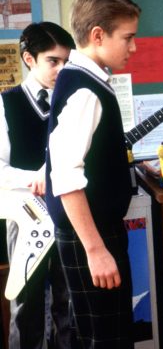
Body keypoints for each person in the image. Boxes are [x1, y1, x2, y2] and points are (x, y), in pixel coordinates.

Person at [45, 0, 141, 349]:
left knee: (106, 334)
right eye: (128, 38)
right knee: (105, 340)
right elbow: (66, 177)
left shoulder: (84, 79)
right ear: (98, 35)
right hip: (91, 235)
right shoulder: (86, 91)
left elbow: (57, 153)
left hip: (93, 232)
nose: (134, 47)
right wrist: (96, 250)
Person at [0, 22, 75, 348]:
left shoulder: (73, 103)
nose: (61, 69)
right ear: (29, 59)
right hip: (26, 217)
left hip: (69, 213)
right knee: (27, 306)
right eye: (53, 61)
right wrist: (34, 178)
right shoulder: (6, 104)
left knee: (69, 304)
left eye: (66, 61)